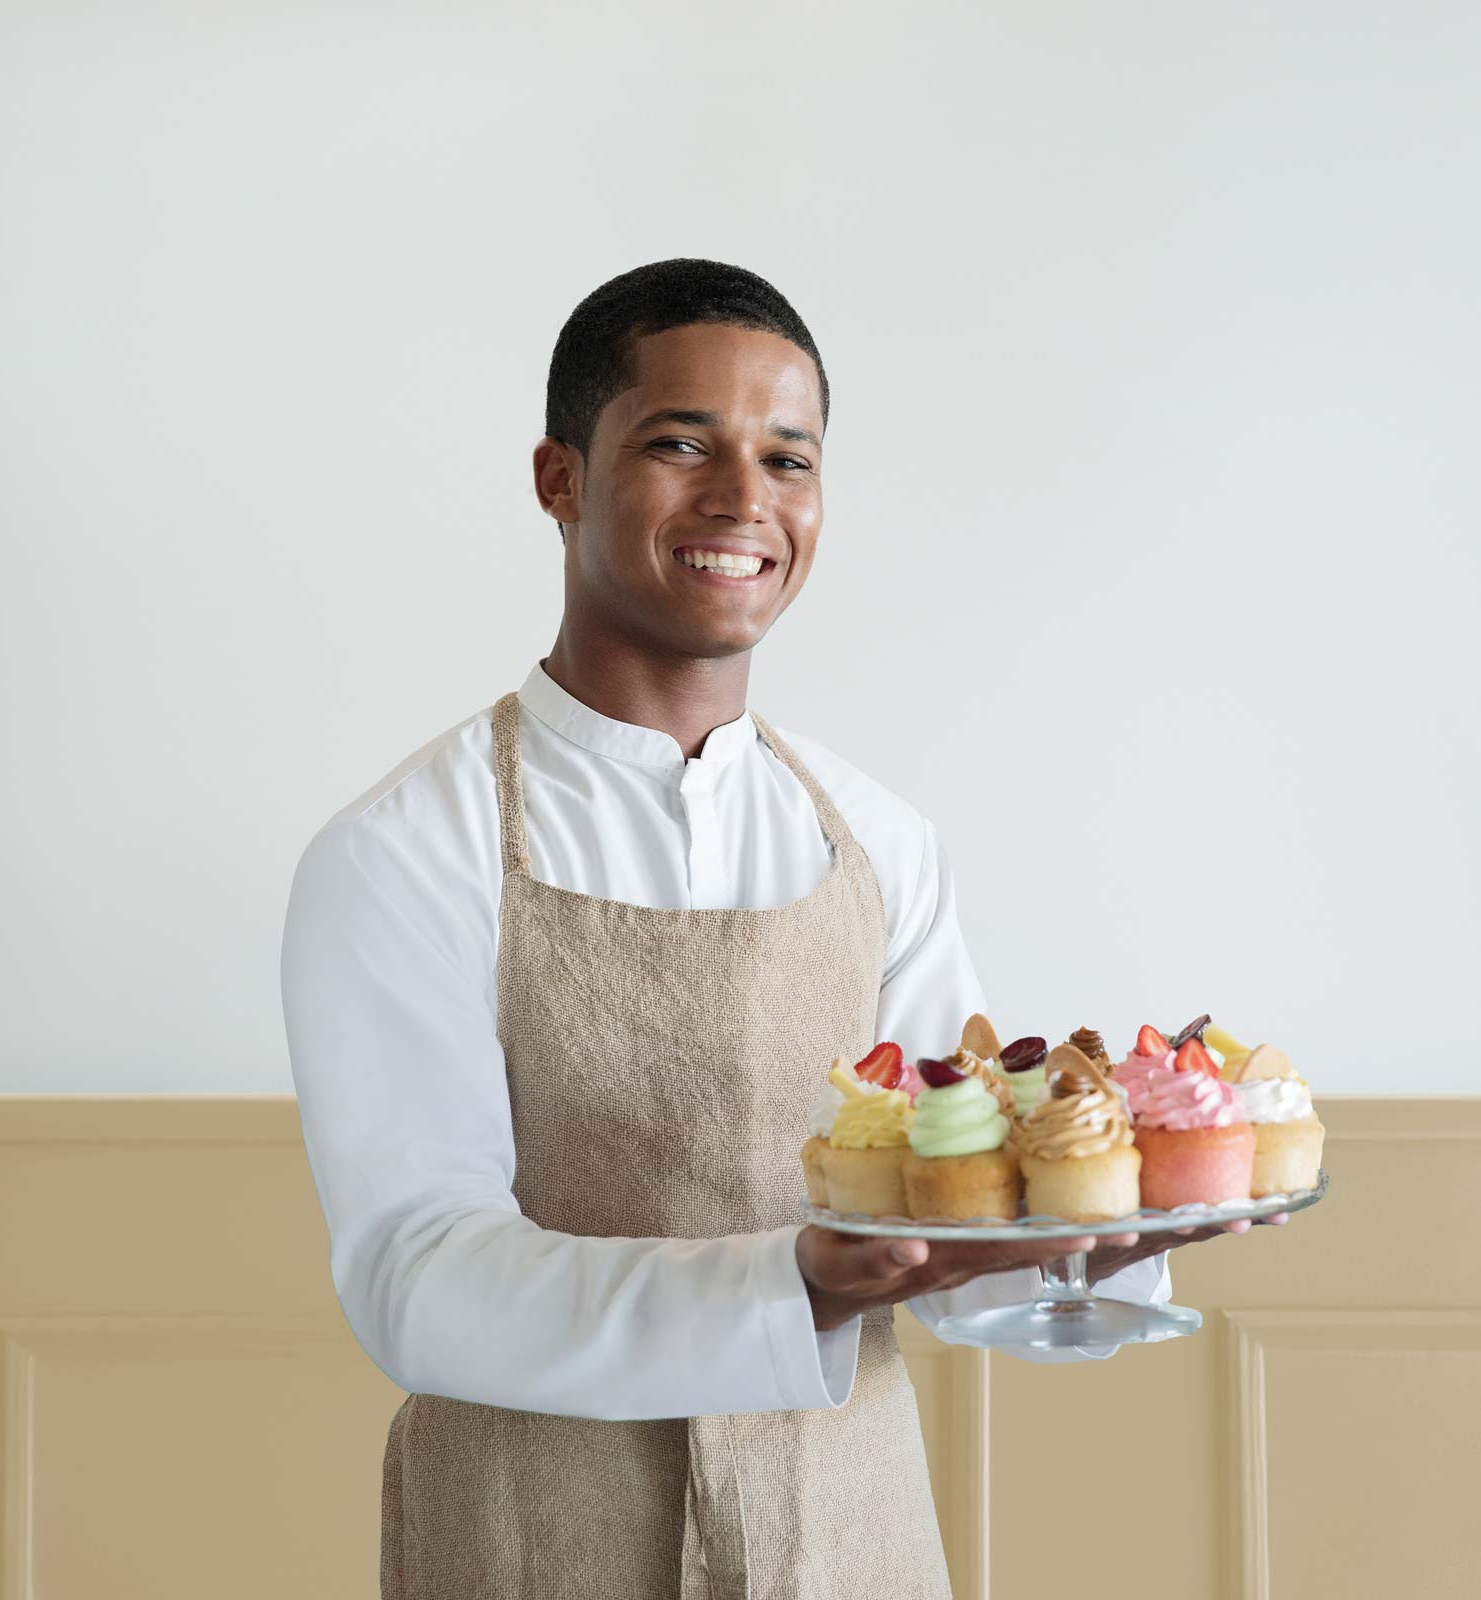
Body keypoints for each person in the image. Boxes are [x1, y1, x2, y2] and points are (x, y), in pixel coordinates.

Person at [281, 258, 1267, 1598]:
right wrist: (792, 1282)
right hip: (534, 1547)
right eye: (681, 443)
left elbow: (946, 1245)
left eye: (787, 459)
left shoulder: (880, 843)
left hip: (846, 1540)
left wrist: (1088, 1246)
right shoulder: (403, 852)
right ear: (559, 477)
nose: (744, 500)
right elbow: (421, 1281)